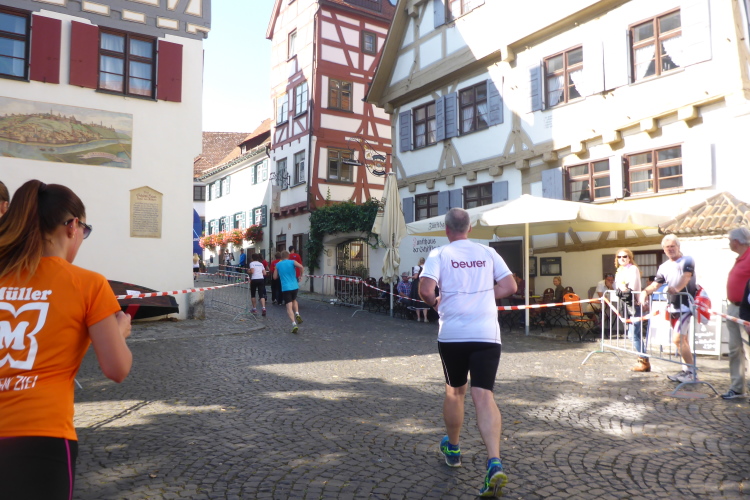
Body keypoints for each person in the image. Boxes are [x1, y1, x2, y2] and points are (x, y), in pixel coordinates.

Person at [0, 180, 133, 499]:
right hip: (40, 436)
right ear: (72, 226)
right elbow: (117, 369)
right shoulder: (88, 284)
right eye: (85, 231)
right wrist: (119, 332)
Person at [418, 207, 516, 498]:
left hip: (454, 334)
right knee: (484, 396)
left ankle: (453, 448)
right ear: (470, 228)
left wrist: (436, 303)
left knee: (455, 392)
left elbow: (425, 290)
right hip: (486, 334)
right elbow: (510, 285)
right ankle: (494, 462)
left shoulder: (439, 254)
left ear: (447, 230)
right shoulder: (488, 252)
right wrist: (484, 295)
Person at [639, 234, 698, 383]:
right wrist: (645, 292)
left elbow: (686, 277)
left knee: (678, 339)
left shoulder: (687, 260)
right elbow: (656, 284)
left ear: (678, 247)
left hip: (685, 305)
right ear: (664, 250)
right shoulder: (663, 266)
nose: (670, 249)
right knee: (683, 340)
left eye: (673, 246)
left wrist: (677, 288)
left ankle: (691, 373)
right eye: (667, 247)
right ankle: (686, 371)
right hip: (672, 306)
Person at [720, 227, 750, 399]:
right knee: (734, 349)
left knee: (748, 350)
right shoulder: (740, 258)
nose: (729, 243)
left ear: (736, 242)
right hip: (733, 308)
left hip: (746, 310)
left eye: (730, 240)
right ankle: (738, 388)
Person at [614, 248, 646, 371]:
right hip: (625, 304)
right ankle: (643, 361)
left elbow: (632, 286)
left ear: (629, 258)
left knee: (633, 335)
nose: (622, 259)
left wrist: (623, 288)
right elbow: (617, 287)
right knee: (634, 334)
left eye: (625, 256)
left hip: (633, 303)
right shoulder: (620, 270)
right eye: (619, 257)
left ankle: (644, 361)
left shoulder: (632, 269)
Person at [274, 250, 305, 333]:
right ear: (288, 256)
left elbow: (274, 277)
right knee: (294, 300)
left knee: (289, 306)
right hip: (295, 286)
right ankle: (297, 313)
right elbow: (301, 267)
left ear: (281, 257)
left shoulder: (278, 264)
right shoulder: (292, 262)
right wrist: (301, 276)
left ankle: (294, 324)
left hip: (286, 287)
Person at [410, 257, 429, 322]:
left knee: (417, 300)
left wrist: (410, 277)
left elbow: (415, 277)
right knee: (424, 300)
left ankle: (418, 318)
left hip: (417, 284)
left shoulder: (417, 267)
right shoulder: (427, 267)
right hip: (425, 283)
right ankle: (425, 318)